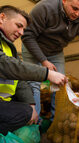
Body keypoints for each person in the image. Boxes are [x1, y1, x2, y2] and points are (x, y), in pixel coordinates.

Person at [21, 0, 79, 119]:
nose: (77, 14)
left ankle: (56, 122)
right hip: (33, 47)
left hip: (55, 52)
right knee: (33, 84)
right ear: (64, 1)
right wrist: (44, 61)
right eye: (74, 8)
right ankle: (34, 121)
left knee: (60, 84)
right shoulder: (44, 8)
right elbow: (27, 36)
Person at [0, 5, 67, 135]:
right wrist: (47, 74)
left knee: (26, 111)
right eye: (18, 26)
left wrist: (31, 105)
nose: (21, 33)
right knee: (23, 113)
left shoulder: (8, 46)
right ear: (2, 18)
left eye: (23, 29)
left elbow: (19, 79)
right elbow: (5, 64)